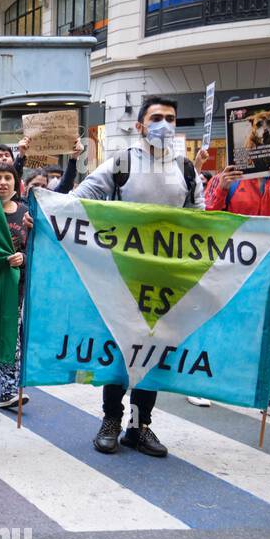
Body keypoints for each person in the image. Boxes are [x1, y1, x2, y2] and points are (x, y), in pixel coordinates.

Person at [72, 96, 205, 457]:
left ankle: (140, 425)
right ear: (140, 126)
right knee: (121, 349)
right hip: (122, 278)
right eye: (157, 118)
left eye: (171, 118)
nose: (164, 124)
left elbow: (201, 221)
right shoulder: (121, 163)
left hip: (166, 281)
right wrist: (45, 210)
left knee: (154, 351)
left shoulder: (187, 170)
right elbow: (79, 199)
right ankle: (111, 420)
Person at [196, 138, 270, 420]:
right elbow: (209, 219)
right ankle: (203, 383)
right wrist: (223, 187)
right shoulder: (225, 179)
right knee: (222, 324)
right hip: (232, 269)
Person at [0, 162, 31, 409]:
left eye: (7, 178)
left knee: (11, 334)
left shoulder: (26, 213)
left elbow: (38, 249)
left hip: (14, 285)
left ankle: (9, 390)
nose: (2, 182)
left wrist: (24, 257)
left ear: (15, 182)